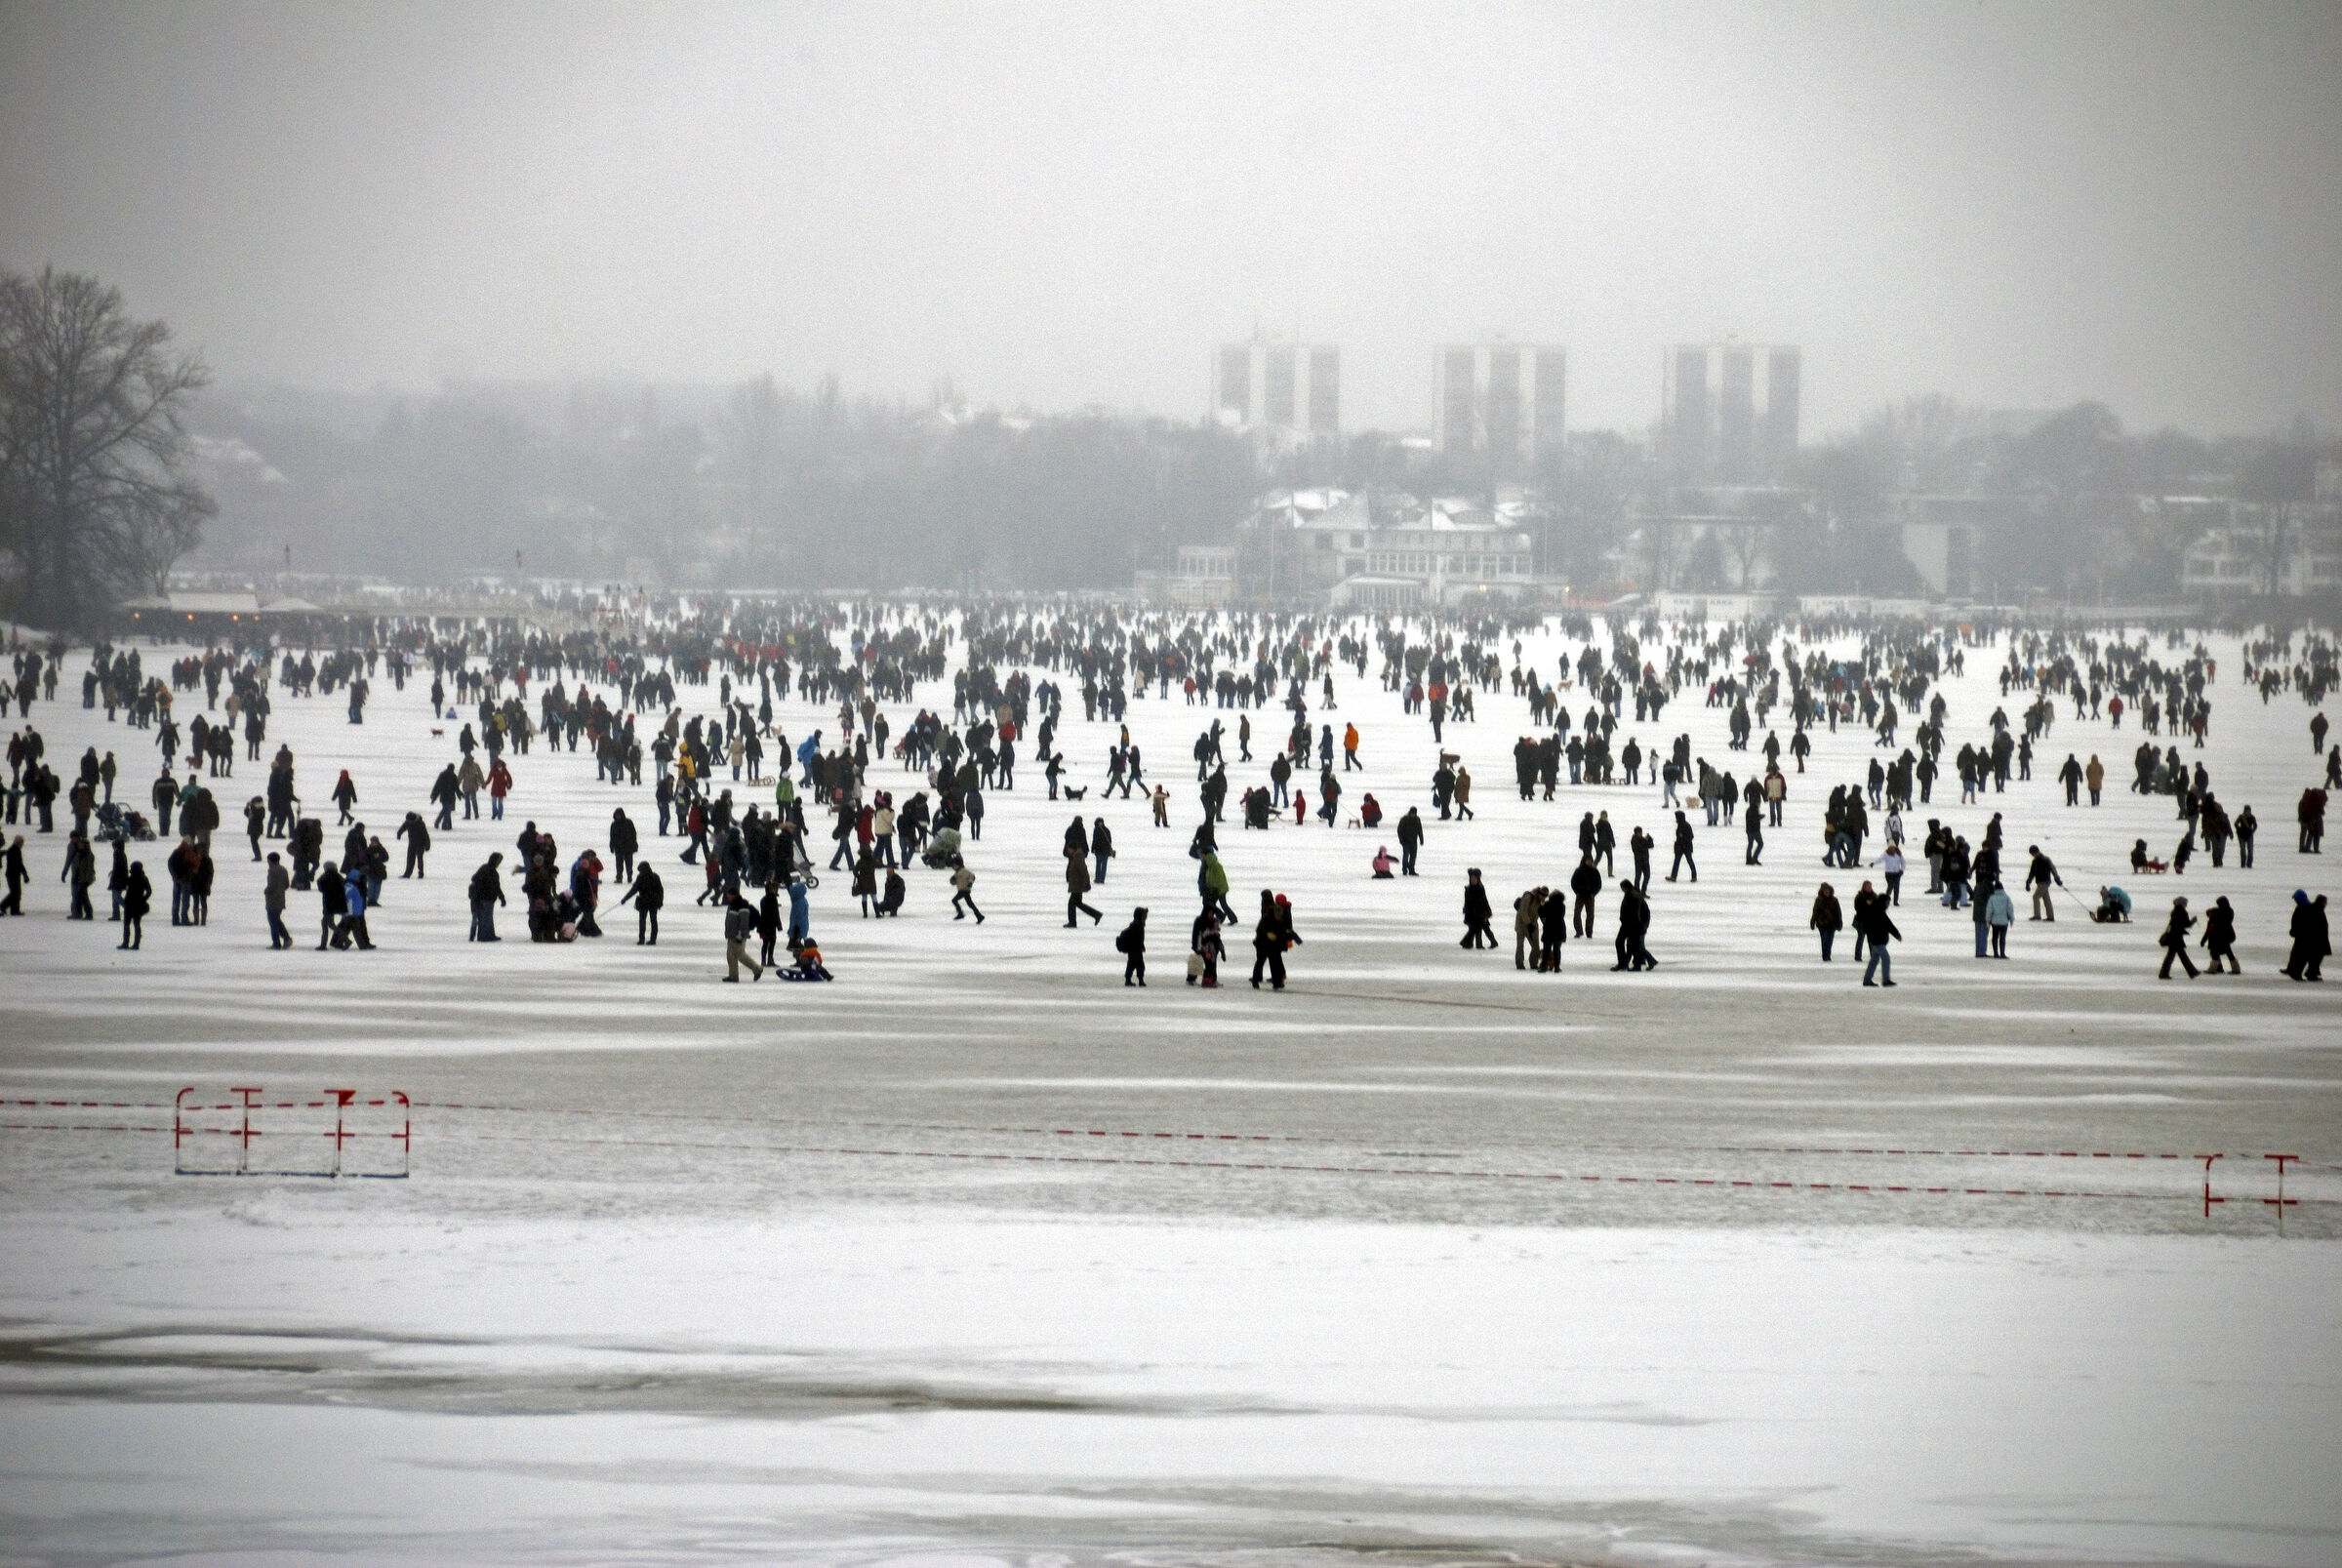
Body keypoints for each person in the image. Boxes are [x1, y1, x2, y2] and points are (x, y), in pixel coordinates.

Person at [1855, 889, 1900, 986]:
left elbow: (1888, 925)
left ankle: (1867, 980)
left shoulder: (1877, 910)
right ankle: (1886, 980)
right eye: (1887, 902)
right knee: (1886, 958)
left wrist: (1896, 935)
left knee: (1874, 960)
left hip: (1876, 941)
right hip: (1877, 941)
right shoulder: (1877, 911)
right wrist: (1897, 935)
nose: (1888, 905)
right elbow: (1888, 925)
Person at [2283, 889, 2329, 981]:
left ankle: (2306, 972)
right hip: (2309, 937)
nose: (2326, 904)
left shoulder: (2309, 907)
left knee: (2306, 955)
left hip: (2309, 937)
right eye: (2325, 902)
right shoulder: (2311, 908)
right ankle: (2300, 972)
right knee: (2304, 955)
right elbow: (2305, 923)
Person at [721, 891, 763, 982]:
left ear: (733, 895)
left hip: (738, 935)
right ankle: (733, 976)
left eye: (728, 896)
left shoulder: (741, 905)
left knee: (740, 955)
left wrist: (740, 935)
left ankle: (757, 969)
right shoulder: (733, 905)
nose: (727, 897)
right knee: (731, 955)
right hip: (732, 935)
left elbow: (744, 922)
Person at [2158, 897, 2201, 979]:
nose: (2186, 904)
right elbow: (2186, 924)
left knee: (2172, 956)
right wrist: (2193, 921)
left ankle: (2164, 973)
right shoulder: (2182, 911)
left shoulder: (2174, 911)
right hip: (2176, 937)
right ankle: (2192, 972)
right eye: (2185, 903)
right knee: (2180, 956)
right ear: (2182, 903)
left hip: (2173, 936)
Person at [622, 863, 664, 945]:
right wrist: (660, 901)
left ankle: (641, 939)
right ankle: (653, 939)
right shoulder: (655, 876)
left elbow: (634, 890)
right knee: (653, 921)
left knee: (642, 921)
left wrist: (625, 899)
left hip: (644, 902)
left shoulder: (641, 877)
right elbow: (660, 890)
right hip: (654, 902)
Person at [467, 852, 505, 942]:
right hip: (486, 898)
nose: (499, 864)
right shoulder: (492, 872)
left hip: (481, 898)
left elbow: (474, 878)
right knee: (486, 918)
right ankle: (485, 936)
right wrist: (502, 898)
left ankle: (488, 934)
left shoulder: (484, 868)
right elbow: (496, 887)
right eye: (499, 862)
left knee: (485, 917)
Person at [2201, 896, 2240, 974]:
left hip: (2220, 937)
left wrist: (2204, 940)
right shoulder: (2228, 911)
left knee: (2216, 953)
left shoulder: (2217, 916)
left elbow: (2209, 931)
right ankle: (2233, 968)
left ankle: (2214, 969)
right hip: (2226, 936)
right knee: (2226, 953)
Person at [118, 859, 150, 949]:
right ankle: (135, 944)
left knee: (128, 924)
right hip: (137, 904)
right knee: (135, 924)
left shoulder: (132, 877)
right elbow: (149, 891)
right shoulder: (143, 878)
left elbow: (123, 883)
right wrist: (144, 899)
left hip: (130, 903)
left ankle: (126, 943)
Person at [1460, 868, 1495, 949]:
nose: (1473, 880)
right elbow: (1467, 902)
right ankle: (1473, 944)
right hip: (1472, 913)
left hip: (1480, 913)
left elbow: (1484, 900)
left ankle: (1475, 944)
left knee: (1479, 928)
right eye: (1471, 879)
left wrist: (1488, 911)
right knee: (1476, 928)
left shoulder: (1480, 888)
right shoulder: (1468, 889)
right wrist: (1466, 910)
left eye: (1474, 878)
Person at [263, 851, 292, 948]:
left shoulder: (272, 871)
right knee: (277, 920)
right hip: (281, 898)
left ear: (271, 861)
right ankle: (286, 938)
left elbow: (272, 885)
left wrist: (267, 891)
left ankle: (277, 943)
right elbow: (287, 884)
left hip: (272, 900)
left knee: (273, 923)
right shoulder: (283, 869)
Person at [1116, 905, 1150, 985]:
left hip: (1136, 950)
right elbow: (1136, 939)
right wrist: (1140, 946)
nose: (1146, 918)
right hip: (1134, 950)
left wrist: (1141, 945)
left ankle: (1139, 980)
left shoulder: (1139, 926)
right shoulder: (1136, 927)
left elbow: (1140, 939)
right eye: (1144, 916)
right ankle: (1130, 980)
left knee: (1138, 966)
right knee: (1134, 965)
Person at [1810, 882, 1841, 961]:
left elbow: (1838, 912)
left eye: (1828, 891)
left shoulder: (1834, 900)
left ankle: (1827, 956)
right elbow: (1815, 912)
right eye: (1825, 891)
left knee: (1829, 941)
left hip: (1832, 924)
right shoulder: (1819, 900)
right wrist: (1812, 922)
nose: (1827, 892)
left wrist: (1839, 923)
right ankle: (1825, 956)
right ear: (1822, 891)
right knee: (1824, 941)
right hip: (1822, 924)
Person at [1984, 881, 2014, 958]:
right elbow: (2010, 909)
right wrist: (2011, 919)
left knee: (1994, 937)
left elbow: (1989, 910)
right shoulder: (2006, 897)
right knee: (2002, 938)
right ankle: (2002, 953)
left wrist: (1988, 920)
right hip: (2004, 922)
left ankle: (1996, 954)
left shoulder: (1992, 898)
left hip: (1995, 922)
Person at [949, 855, 984, 922]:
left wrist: (970, 883)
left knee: (954, 900)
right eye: (953, 866)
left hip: (964, 890)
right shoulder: (957, 873)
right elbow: (954, 882)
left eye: (955, 865)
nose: (954, 867)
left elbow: (972, 876)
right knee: (970, 904)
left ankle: (960, 914)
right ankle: (979, 916)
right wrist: (952, 880)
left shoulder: (964, 871)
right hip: (962, 890)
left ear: (959, 865)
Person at [1668, 811, 1696, 882]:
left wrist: (1684, 840)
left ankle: (1694, 876)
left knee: (1689, 861)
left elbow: (1691, 836)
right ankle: (1673, 876)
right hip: (1680, 846)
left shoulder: (1686, 825)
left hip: (1686, 847)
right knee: (1677, 861)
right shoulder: (1681, 824)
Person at [1397, 807, 1423, 875]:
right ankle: (1404, 869)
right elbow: (1400, 830)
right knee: (1406, 856)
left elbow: (1420, 829)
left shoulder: (1417, 819)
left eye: (1414, 814)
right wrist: (1401, 840)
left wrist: (1421, 839)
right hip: (1406, 841)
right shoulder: (1404, 819)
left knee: (1413, 856)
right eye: (1412, 813)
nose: (1413, 815)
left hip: (1414, 840)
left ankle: (1412, 870)